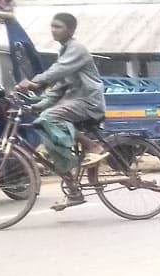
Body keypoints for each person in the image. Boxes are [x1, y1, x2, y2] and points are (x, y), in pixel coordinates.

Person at [15, 13, 106, 211]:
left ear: (71, 30)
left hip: (87, 101)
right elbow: (59, 86)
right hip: (73, 101)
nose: (53, 30)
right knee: (49, 144)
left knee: (49, 118)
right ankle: (74, 192)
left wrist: (35, 82)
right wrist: (38, 104)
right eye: (52, 26)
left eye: (58, 26)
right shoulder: (64, 52)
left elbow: (58, 71)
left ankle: (92, 147)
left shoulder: (77, 50)